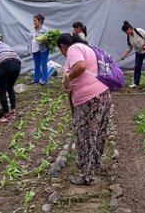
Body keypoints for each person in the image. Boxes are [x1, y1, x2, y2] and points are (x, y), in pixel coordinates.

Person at [57, 33, 112, 185]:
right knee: (98, 133)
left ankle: (86, 175)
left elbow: (80, 66)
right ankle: (94, 165)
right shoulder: (87, 48)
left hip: (89, 99)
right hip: (102, 94)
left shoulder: (73, 49)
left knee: (85, 137)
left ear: (62, 46)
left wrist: (67, 77)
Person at [0, 34, 21, 123]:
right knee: (9, 87)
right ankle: (13, 111)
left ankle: (6, 114)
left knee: (1, 90)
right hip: (17, 63)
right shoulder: (4, 45)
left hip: (5, 63)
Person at [120, 21, 145, 88]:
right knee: (137, 67)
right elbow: (129, 48)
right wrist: (124, 55)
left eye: (126, 32)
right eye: (125, 32)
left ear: (129, 29)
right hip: (139, 52)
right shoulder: (128, 37)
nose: (126, 33)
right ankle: (136, 83)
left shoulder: (139, 31)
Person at [27, 14, 49, 86]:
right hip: (35, 49)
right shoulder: (32, 29)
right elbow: (30, 40)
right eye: (33, 20)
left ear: (40, 21)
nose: (34, 22)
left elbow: (48, 39)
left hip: (43, 49)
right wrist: (29, 49)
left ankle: (44, 80)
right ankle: (36, 79)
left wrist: (44, 40)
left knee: (43, 64)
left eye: (35, 20)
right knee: (36, 64)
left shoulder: (44, 29)